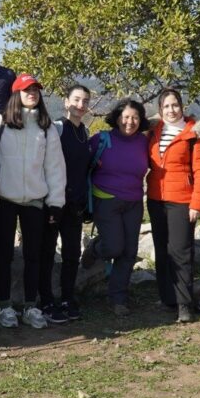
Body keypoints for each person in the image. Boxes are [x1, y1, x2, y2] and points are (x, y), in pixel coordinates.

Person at [0, 74, 66, 328]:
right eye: (26, 89)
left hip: (35, 199)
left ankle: (31, 306)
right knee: (4, 255)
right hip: (5, 198)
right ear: (16, 93)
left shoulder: (46, 126)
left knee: (34, 256)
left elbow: (54, 167)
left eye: (35, 90)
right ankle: (6, 306)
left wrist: (56, 202)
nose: (32, 93)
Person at [145, 89, 200, 323]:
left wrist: (197, 204)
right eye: (166, 107)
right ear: (160, 109)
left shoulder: (194, 134)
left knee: (180, 252)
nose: (171, 110)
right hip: (155, 199)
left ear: (182, 106)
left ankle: (184, 304)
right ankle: (167, 298)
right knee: (162, 251)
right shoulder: (153, 132)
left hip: (182, 200)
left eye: (175, 105)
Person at [82, 99, 150, 316]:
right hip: (106, 199)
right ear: (117, 118)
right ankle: (95, 248)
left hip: (134, 202)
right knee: (113, 247)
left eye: (135, 117)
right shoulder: (102, 139)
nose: (130, 122)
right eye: (126, 117)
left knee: (129, 252)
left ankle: (118, 298)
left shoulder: (144, 142)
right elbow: (80, 163)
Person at [38, 84, 94, 322]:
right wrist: (49, 200)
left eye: (85, 101)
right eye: (76, 100)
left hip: (76, 204)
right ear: (66, 101)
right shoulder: (57, 128)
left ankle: (67, 298)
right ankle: (46, 301)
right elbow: (44, 163)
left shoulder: (85, 133)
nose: (80, 105)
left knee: (72, 253)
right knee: (47, 253)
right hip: (54, 202)